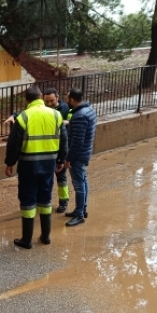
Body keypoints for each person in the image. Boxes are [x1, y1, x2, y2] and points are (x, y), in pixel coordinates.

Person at [4, 86, 66, 249]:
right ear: (40, 97)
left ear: (27, 100)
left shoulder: (23, 117)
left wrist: (10, 163)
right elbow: (64, 140)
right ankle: (45, 237)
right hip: (49, 165)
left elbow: (14, 144)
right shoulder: (56, 115)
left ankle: (27, 239)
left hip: (28, 166)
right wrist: (61, 160)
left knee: (27, 200)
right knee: (45, 199)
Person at [63, 87, 96, 226]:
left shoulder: (79, 116)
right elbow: (83, 130)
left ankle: (79, 215)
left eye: (67, 98)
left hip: (78, 155)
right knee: (83, 181)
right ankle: (82, 208)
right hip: (85, 152)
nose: (66, 100)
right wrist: (70, 123)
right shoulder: (88, 110)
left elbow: (77, 141)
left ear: (71, 99)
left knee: (78, 185)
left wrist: (68, 158)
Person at [43, 87, 71, 213]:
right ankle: (44, 201)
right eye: (46, 101)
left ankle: (63, 201)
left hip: (60, 149)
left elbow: (73, 121)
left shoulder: (65, 109)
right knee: (45, 177)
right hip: (47, 148)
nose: (49, 104)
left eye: (52, 101)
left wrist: (67, 122)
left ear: (58, 98)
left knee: (61, 177)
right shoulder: (43, 110)